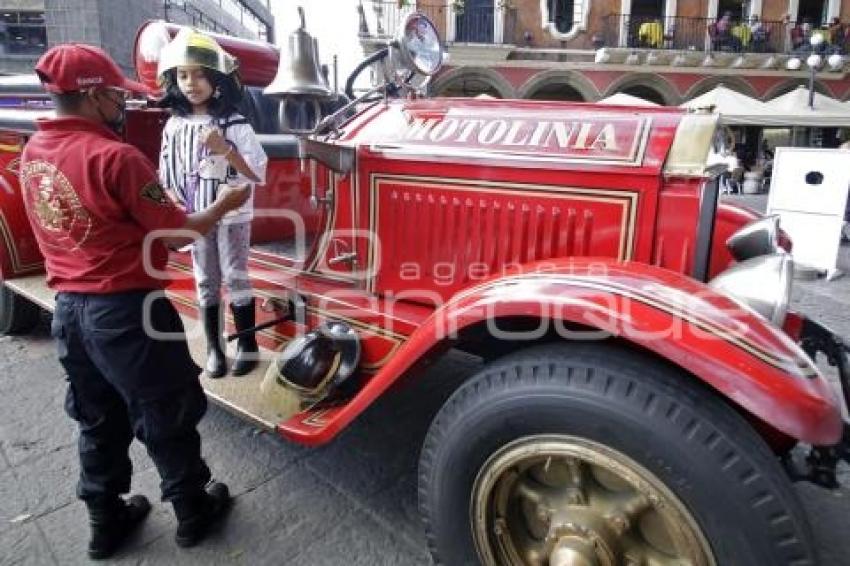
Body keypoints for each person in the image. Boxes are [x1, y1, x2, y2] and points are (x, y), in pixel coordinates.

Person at [18, 44, 248, 559]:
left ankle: (104, 519)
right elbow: (178, 233)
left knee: (96, 417)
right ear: (95, 96)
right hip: (126, 313)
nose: (123, 104)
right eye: (117, 95)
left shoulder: (34, 153)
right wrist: (224, 203)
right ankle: (192, 510)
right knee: (163, 409)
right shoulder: (116, 157)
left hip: (69, 313)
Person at [158, 29, 268, 378]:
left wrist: (224, 150)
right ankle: (215, 349)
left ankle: (247, 345)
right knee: (205, 279)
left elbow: (257, 172)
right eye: (183, 75)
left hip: (233, 214)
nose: (192, 83)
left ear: (216, 78)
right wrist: (172, 198)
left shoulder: (235, 124)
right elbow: (166, 169)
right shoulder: (173, 125)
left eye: (200, 74)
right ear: (174, 80)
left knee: (236, 275)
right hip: (195, 216)